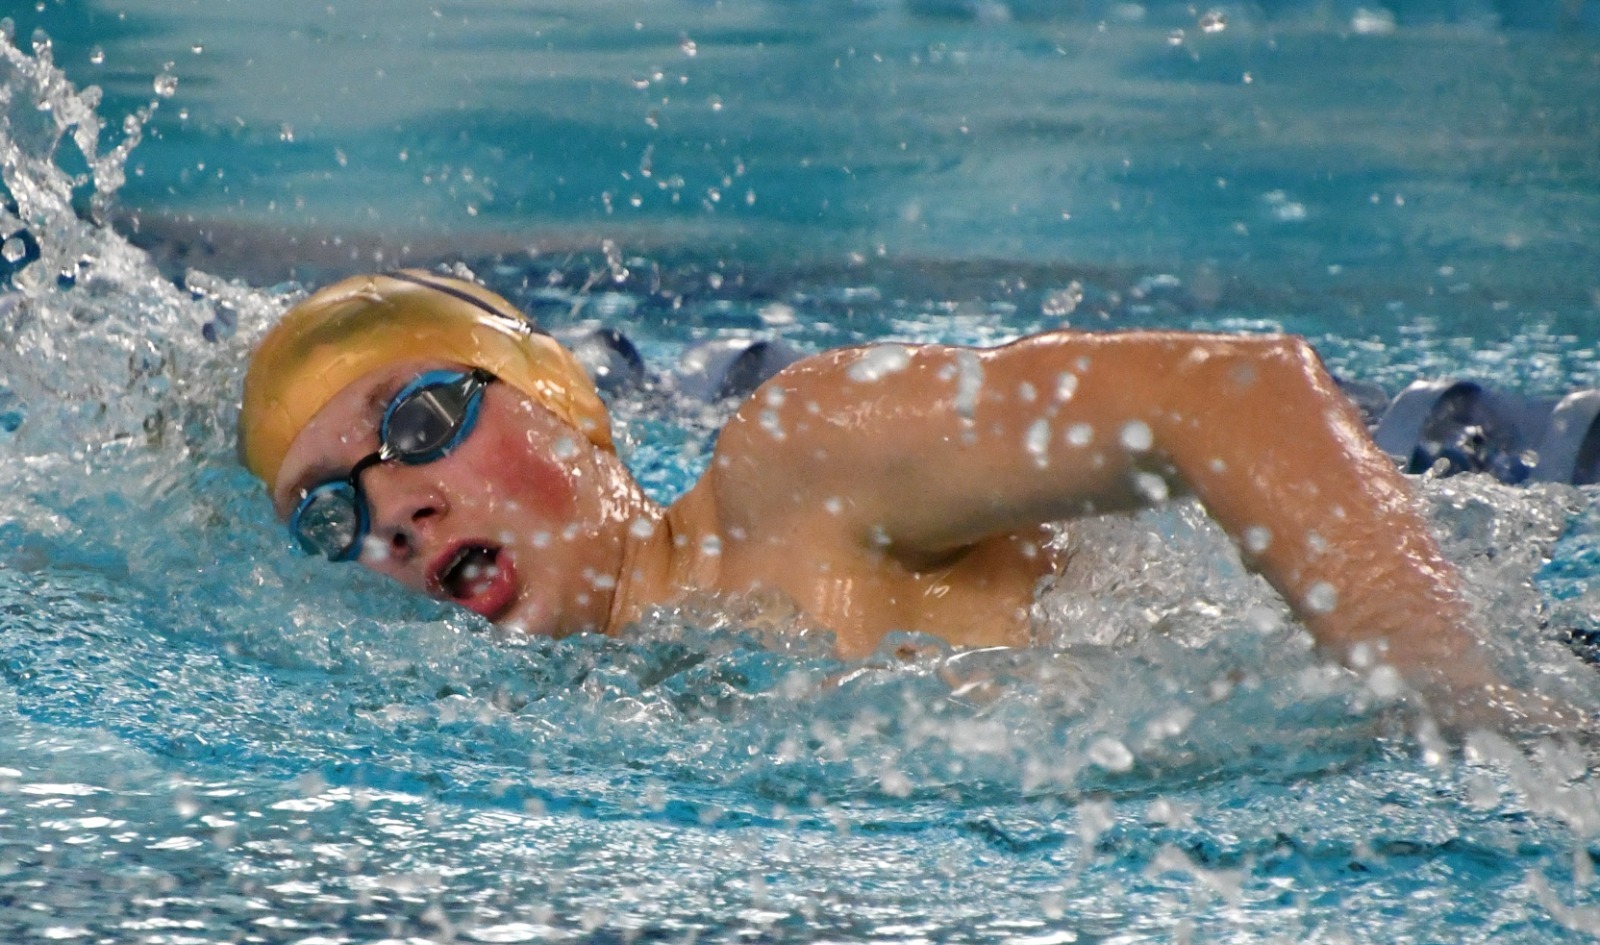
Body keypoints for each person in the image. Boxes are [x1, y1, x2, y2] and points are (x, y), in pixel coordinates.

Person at [239, 268, 1515, 723]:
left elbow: (1240, 396)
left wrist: (1446, 701)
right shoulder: (590, 720)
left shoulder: (798, 466)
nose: (393, 504)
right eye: (328, 511)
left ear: (563, 399)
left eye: (417, 420)